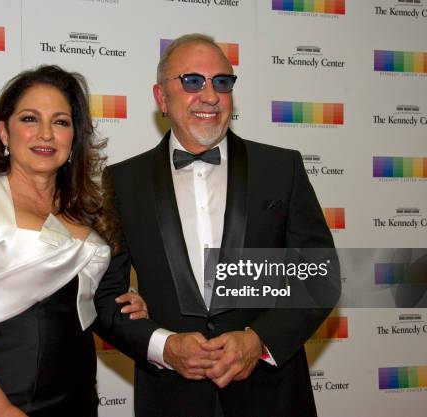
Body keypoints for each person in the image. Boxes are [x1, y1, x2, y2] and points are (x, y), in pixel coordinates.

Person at [93, 34, 335, 417]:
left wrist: (258, 340)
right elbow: (104, 297)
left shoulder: (281, 169)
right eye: (192, 81)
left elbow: (320, 275)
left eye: (222, 82)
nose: (209, 95)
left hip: (271, 397)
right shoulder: (123, 182)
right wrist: (163, 346)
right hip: (172, 400)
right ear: (161, 98)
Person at [0, 65, 148, 417]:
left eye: (60, 122)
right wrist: (0, 410)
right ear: (4, 133)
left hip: (78, 399)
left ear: (74, 138)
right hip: (1, 401)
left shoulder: (88, 211)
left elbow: (82, 300)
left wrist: (127, 304)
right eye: (29, 119)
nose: (45, 134)